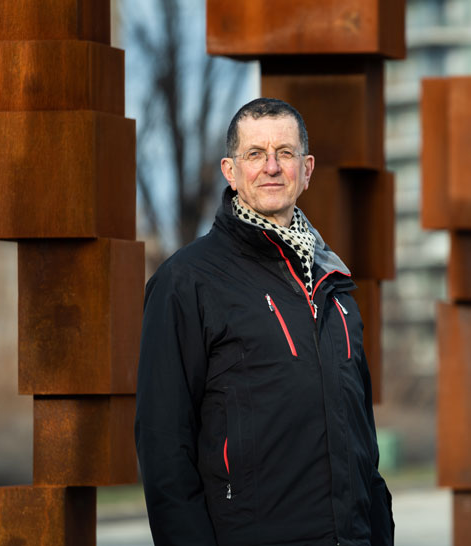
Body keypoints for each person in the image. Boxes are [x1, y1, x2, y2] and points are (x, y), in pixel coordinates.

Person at [135, 97, 394, 546]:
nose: (271, 167)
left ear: (306, 170)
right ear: (231, 171)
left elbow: (362, 444)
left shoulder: (336, 287)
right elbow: (164, 450)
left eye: (285, 153)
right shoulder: (187, 282)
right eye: (255, 154)